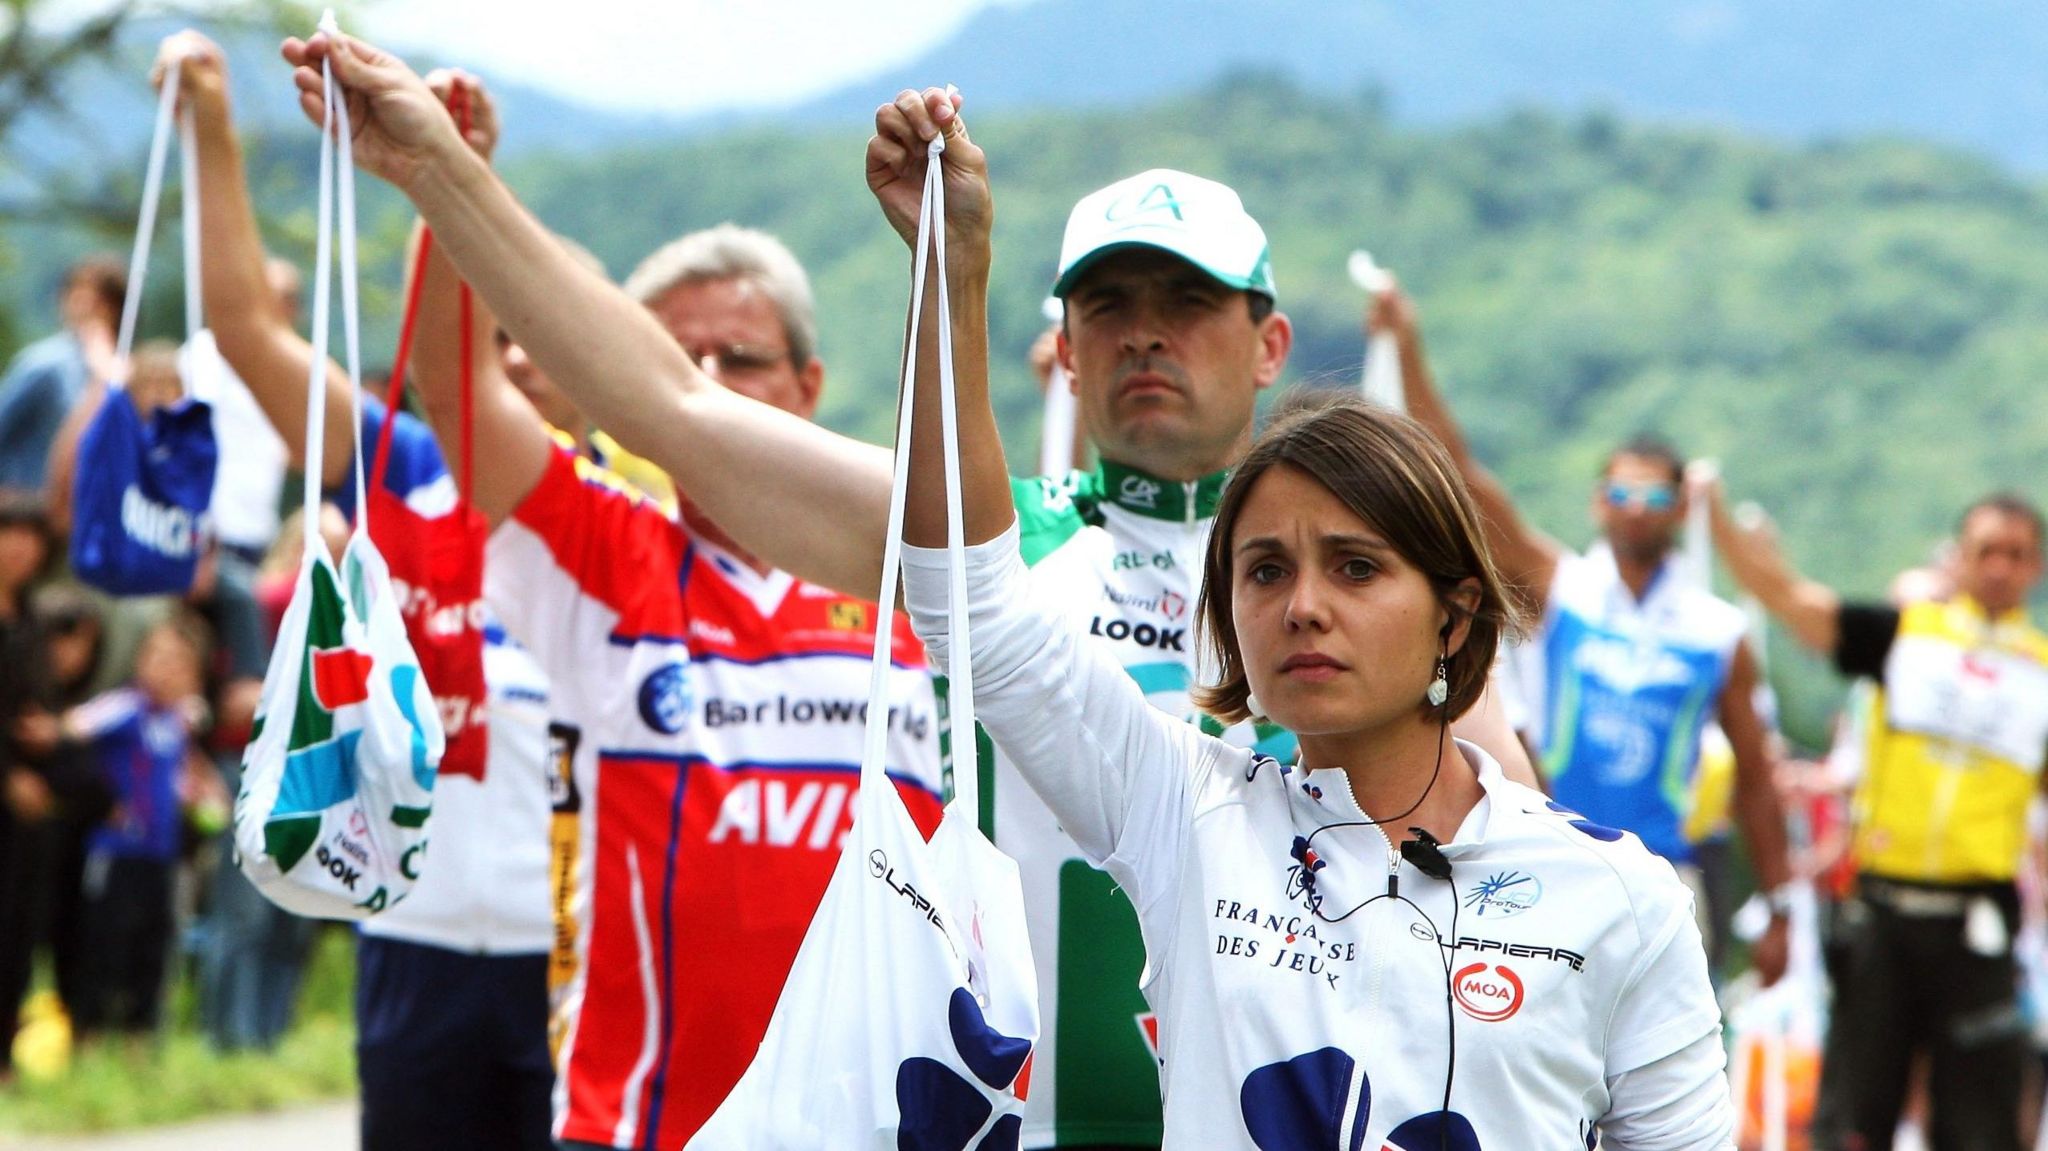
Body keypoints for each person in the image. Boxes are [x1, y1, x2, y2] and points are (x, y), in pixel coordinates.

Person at [282, 30, 1539, 1148]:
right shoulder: (986, 552)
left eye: (1188, 303)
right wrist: (439, 170)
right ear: (1065, 345)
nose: (1147, 332)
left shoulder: (1364, 587)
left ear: (1269, 341)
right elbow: (672, 409)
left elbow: (1509, 859)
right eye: (1110, 305)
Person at [860, 86, 1734, 1146]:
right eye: (1263, 571)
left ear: (1455, 619)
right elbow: (971, 600)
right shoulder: (1185, 815)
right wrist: (948, 273)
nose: (1303, 605)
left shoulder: (1618, 895)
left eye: (1356, 568)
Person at [348, 61, 947, 1148]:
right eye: (678, 357)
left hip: (881, 1122)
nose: (710, 381)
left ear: (808, 387)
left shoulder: (911, 571)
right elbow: (458, 392)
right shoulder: (606, 547)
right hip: (643, 1121)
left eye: (745, 358)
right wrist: (448, 188)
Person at [163, 31, 559, 1149]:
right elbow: (245, 328)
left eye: (539, 339)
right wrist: (210, 126)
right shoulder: (403, 469)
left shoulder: (627, 508)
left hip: (577, 951)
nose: (517, 364)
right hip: (413, 932)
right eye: (496, 341)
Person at [1391, 285, 1793, 985]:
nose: (1637, 510)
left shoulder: (1717, 632)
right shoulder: (1560, 588)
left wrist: (1781, 905)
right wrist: (1405, 344)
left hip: (1665, 875)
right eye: (1622, 493)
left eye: (1656, 497)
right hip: (1552, 858)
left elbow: (1757, 778)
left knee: (1659, 1079)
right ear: (1596, 501)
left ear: (1682, 508)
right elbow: (1457, 469)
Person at [1704, 480, 2048, 1151]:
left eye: (2018, 553)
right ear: (1962, 558)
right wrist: (1712, 512)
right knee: (1851, 1124)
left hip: (1979, 924)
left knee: (1980, 1129)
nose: (2001, 566)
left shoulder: (2040, 673)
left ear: (2035, 568)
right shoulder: (1904, 637)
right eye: (1987, 550)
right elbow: (1787, 597)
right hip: (1883, 914)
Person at [67, 611, 209, 1041]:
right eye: (159, 657)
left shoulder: (179, 721)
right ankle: (88, 1040)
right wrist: (102, 801)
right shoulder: (122, 708)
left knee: (151, 954)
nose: (167, 670)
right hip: (116, 853)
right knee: (104, 950)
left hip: (160, 855)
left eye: (179, 662)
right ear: (140, 659)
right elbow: (71, 731)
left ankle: (138, 1045)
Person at [0, 257, 123, 490]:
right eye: (77, 299)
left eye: (99, 303)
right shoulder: (43, 364)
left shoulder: (130, 368)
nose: (86, 310)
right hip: (39, 507)